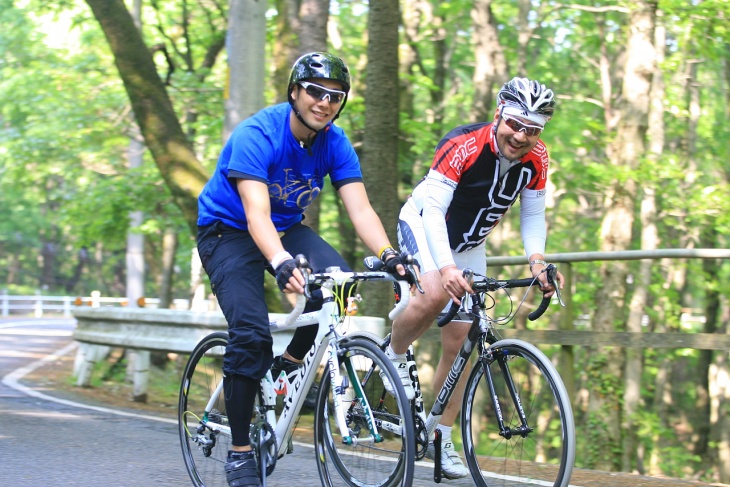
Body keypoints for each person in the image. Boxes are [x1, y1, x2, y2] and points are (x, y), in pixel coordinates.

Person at [196, 52, 407, 487]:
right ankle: (239, 452)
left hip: (286, 228)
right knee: (251, 335)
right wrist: (281, 263)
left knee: (338, 284)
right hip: (228, 231)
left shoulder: (335, 141)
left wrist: (389, 254)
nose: (324, 102)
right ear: (295, 92)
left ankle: (288, 366)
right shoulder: (257, 133)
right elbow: (256, 215)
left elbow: (360, 208)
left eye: (336, 96)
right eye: (315, 91)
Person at [384, 77, 565, 479]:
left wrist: (537, 261)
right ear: (499, 114)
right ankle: (390, 356)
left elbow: (533, 215)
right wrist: (445, 269)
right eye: (515, 124)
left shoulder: (538, 158)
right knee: (432, 293)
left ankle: (441, 437)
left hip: (469, 245)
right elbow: (432, 211)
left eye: (532, 130)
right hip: (424, 224)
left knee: (464, 338)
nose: (521, 136)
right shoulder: (462, 144)